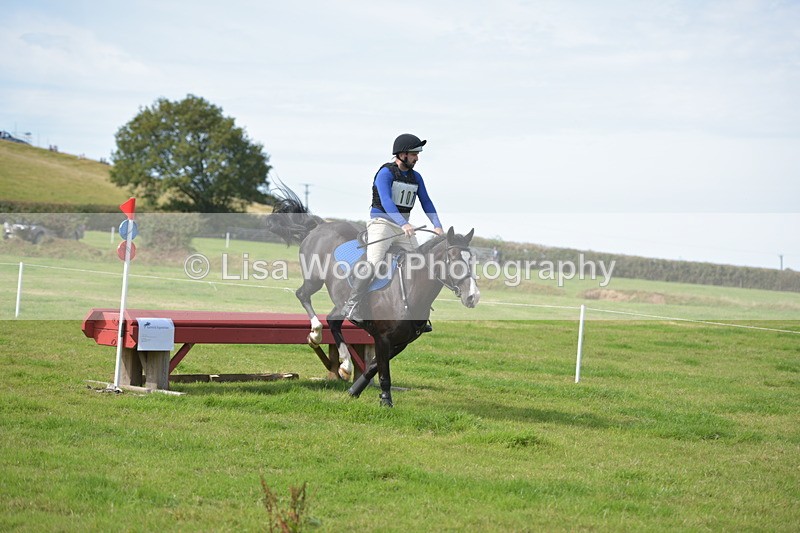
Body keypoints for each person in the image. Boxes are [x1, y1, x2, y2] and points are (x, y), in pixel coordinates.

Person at [342, 133, 444, 324]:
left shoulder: (416, 177)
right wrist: (403, 223)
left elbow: (427, 202)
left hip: (402, 227)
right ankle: (352, 304)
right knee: (373, 263)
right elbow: (388, 202)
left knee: (419, 264)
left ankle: (417, 308)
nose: (417, 158)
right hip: (382, 224)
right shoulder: (385, 173)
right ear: (402, 154)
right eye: (414, 153)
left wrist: (437, 225)